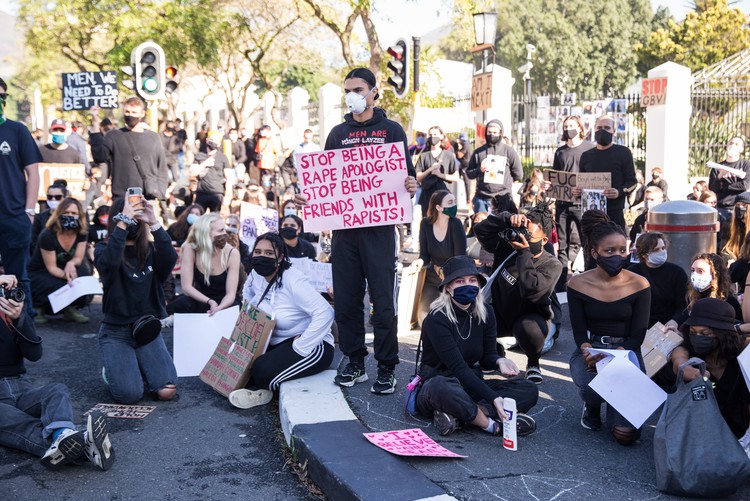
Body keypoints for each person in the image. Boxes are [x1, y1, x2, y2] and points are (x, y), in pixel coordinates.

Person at [294, 67, 417, 394]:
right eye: (348, 90)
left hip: (379, 233)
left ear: (374, 92)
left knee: (383, 303)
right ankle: (355, 360)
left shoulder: (392, 130)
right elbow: (326, 181)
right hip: (344, 233)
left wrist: (411, 183)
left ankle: (387, 366)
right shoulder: (337, 133)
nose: (352, 95)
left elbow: (408, 178)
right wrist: (310, 196)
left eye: (358, 89)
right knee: (346, 301)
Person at [414, 255, 538, 437]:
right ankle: (492, 426)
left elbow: (487, 357)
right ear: (448, 287)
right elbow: (458, 368)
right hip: (439, 385)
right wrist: (494, 398)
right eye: (460, 281)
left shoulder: (486, 312)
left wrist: (499, 361)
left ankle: (461, 416)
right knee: (441, 387)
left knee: (529, 389)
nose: (468, 285)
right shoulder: (437, 319)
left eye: (472, 280)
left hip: (471, 385)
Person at [0, 274, 115, 471]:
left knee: (56, 390)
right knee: (14, 420)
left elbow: (34, 354)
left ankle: (63, 434)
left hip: (20, 388)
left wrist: (20, 318)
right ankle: (84, 446)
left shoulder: (10, 312)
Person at [567, 218, 651, 445]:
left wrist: (617, 356)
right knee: (593, 389)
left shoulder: (640, 284)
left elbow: (638, 335)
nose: (618, 255)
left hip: (626, 351)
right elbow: (578, 332)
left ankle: (617, 406)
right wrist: (586, 349)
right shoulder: (577, 283)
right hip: (592, 348)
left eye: (623, 250)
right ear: (595, 253)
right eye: (610, 250)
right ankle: (592, 405)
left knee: (626, 434)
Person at [228, 233, 334, 409]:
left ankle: (265, 391)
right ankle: (262, 384)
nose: (262, 256)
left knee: (261, 369)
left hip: (311, 345)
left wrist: (301, 346)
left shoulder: (293, 280)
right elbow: (247, 294)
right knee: (238, 363)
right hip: (275, 341)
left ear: (280, 257)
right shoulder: (255, 274)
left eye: (269, 253)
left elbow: (325, 312)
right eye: (258, 251)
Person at [94, 197, 178, 404]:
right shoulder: (103, 249)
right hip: (116, 332)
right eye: (125, 215)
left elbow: (170, 258)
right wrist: (122, 222)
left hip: (146, 329)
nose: (132, 220)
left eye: (134, 216)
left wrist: (153, 221)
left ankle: (135, 366)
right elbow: (109, 265)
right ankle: (114, 370)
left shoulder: (151, 250)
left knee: (167, 391)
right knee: (129, 395)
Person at [474, 202, 562, 383]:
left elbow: (532, 291)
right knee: (474, 319)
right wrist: (506, 218)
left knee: (530, 329)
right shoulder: (507, 247)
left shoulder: (552, 264)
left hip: (530, 319)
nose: (522, 237)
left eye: (528, 235)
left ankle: (533, 362)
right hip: (501, 312)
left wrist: (524, 254)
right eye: (522, 230)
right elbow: (480, 231)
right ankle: (495, 353)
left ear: (544, 241)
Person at [670, 298, 749, 438]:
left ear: (722, 334)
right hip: (700, 432)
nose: (698, 337)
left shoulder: (741, 353)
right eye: (693, 332)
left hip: (739, 432)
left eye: (705, 334)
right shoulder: (688, 351)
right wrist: (688, 370)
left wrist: (738, 328)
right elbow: (679, 361)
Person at [0, 77, 42, 305]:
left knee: (19, 277)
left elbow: (33, 173)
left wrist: (29, 210)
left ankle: (24, 326)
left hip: (15, 217)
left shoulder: (17, 130)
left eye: (2, 96)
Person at [89, 98, 169, 202]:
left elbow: (162, 167)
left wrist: (160, 191)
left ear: (142, 114)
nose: (130, 115)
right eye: (127, 111)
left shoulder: (153, 138)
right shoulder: (114, 136)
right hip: (122, 198)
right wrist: (95, 122)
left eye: (134, 112)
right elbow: (99, 156)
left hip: (147, 198)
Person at [28, 197, 92, 324]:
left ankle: (71, 309)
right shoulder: (47, 235)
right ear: (59, 214)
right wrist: (69, 278)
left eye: (74, 213)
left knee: (84, 276)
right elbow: (51, 267)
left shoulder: (82, 232)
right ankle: (38, 307)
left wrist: (71, 263)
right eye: (66, 213)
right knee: (65, 285)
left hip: (64, 267)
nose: (70, 216)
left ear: (80, 215)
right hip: (43, 271)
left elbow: (79, 257)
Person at [167, 212, 241, 315]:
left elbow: (231, 293)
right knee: (181, 304)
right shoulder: (191, 249)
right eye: (220, 230)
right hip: (199, 298)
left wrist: (220, 307)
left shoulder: (232, 253)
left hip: (225, 302)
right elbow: (187, 287)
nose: (225, 233)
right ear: (206, 234)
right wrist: (209, 301)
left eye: (224, 229)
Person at [411, 190, 466, 325]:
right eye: (450, 202)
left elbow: (460, 257)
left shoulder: (456, 224)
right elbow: (424, 254)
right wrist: (419, 261)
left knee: (450, 317)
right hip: (433, 278)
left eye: (454, 201)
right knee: (423, 315)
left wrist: (445, 272)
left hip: (453, 278)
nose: (454, 205)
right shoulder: (425, 224)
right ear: (438, 207)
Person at [576, 115, 637, 231]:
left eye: (607, 127)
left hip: (614, 213)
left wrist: (619, 191)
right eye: (599, 127)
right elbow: (582, 184)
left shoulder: (623, 153)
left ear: (614, 131)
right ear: (594, 129)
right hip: (591, 214)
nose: (602, 131)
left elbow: (632, 182)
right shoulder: (586, 156)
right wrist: (578, 191)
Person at [665, 253, 742, 332]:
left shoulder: (728, 300)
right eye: (692, 270)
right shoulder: (690, 298)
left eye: (700, 271)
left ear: (715, 274)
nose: (695, 274)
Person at [627, 232, 687, 327]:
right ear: (644, 254)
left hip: (667, 327)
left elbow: (684, 305)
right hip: (639, 327)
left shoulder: (677, 272)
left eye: (663, 248)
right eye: (656, 250)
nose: (662, 252)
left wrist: (675, 321)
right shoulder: (632, 273)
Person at [466, 119, 523, 214]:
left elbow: (518, 174)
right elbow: (469, 173)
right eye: (489, 132)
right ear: (486, 132)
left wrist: (505, 181)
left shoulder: (509, 151)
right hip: (482, 199)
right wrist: (479, 169)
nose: (492, 135)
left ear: (500, 133)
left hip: (503, 199)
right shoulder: (478, 152)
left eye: (494, 132)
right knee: (481, 227)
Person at [415, 126, 459, 217]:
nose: (433, 137)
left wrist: (440, 175)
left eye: (435, 134)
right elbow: (418, 177)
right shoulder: (423, 156)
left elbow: (456, 177)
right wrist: (430, 169)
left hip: (445, 195)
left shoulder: (449, 155)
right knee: (428, 221)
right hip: (427, 196)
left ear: (441, 136)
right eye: (430, 135)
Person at [709, 136, 750, 216]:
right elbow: (712, 188)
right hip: (722, 207)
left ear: (741, 149)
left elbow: (745, 185)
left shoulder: (746, 165)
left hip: (739, 207)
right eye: (731, 143)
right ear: (727, 146)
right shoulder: (717, 167)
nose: (733, 145)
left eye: (737, 144)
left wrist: (725, 187)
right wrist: (720, 176)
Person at [193, 133, 229, 212]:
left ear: (219, 144)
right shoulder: (199, 155)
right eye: (212, 140)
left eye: (216, 141)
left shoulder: (223, 157)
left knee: (214, 218)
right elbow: (193, 172)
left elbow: (229, 177)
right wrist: (204, 164)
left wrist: (227, 195)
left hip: (217, 193)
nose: (213, 142)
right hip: (202, 192)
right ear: (207, 140)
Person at [30, 181, 68, 256]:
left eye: (57, 197)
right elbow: (33, 240)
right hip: (43, 256)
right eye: (50, 197)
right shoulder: (39, 217)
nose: (53, 199)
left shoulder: (70, 215)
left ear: (64, 198)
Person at [721, 192, 750, 264]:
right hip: (735, 264)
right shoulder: (729, 224)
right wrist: (729, 259)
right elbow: (725, 247)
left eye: (744, 205)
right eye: (738, 205)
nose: (740, 208)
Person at [454, 132, 474, 206]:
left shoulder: (466, 145)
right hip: (466, 164)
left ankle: (468, 199)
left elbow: (459, 155)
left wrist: (456, 150)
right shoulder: (468, 144)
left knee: (467, 182)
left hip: (465, 165)